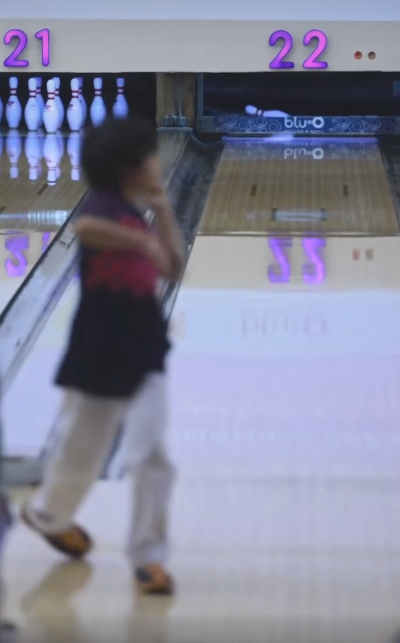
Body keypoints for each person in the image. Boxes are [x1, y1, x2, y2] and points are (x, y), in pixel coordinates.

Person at [20, 116, 185, 595]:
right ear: (129, 167)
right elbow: (86, 228)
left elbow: (173, 268)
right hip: (96, 350)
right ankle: (51, 515)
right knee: (81, 449)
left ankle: (149, 558)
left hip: (144, 348)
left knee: (152, 454)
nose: (158, 161)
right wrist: (141, 239)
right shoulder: (104, 206)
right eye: (151, 155)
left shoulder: (140, 210)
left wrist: (164, 215)